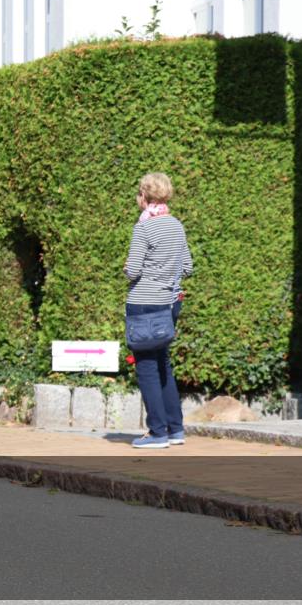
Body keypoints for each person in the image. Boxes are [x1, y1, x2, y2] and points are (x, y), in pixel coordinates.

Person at [123, 172, 192, 449]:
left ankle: (157, 432)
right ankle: (175, 430)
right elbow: (187, 267)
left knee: (147, 368)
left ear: (144, 196)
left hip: (144, 303)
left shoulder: (144, 228)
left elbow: (134, 270)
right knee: (163, 363)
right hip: (170, 302)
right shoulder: (176, 225)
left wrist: (128, 269)